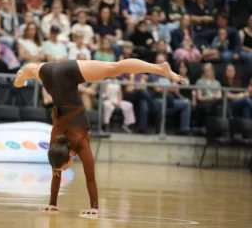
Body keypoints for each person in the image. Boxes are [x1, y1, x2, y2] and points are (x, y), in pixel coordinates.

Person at [13, 59, 184, 215]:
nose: (62, 171)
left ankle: (160, 68)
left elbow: (90, 178)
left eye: (63, 168)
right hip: (48, 73)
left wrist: (94, 207)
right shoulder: (55, 144)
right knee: (33, 69)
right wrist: (52, 204)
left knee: (114, 69)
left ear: (69, 156)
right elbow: (56, 173)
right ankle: (24, 74)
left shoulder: (80, 143)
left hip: (66, 75)